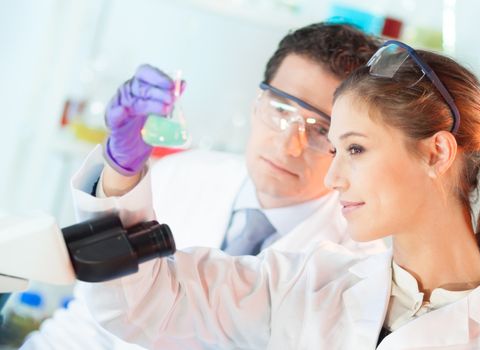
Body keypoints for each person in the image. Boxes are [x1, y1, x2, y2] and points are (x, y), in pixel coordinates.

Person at [77, 40, 480, 349]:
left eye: (355, 148)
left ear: (437, 153)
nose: (332, 178)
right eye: (335, 150)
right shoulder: (308, 282)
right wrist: (121, 169)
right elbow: (145, 302)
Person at [22, 23, 386, 349]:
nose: (287, 144)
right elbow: (87, 323)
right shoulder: (181, 174)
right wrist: (120, 174)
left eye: (321, 129)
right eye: (280, 110)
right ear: (256, 101)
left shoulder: (356, 264)